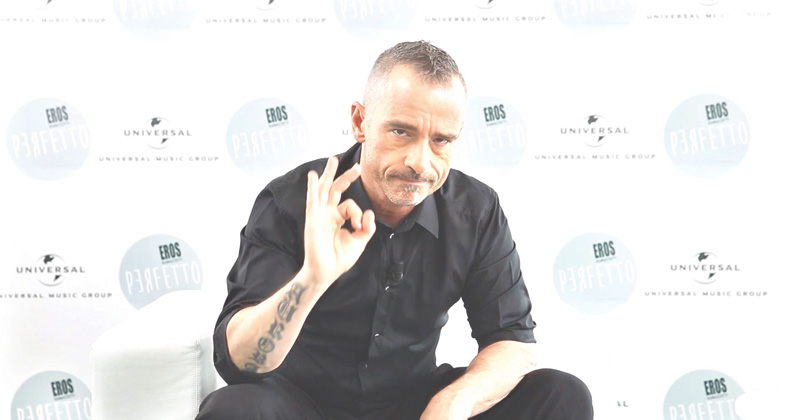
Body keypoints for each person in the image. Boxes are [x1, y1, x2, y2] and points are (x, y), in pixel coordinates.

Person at [196, 41, 593, 420]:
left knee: (561, 394)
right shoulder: (292, 201)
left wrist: (456, 400)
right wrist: (312, 279)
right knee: (233, 411)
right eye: (401, 132)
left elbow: (513, 342)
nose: (420, 162)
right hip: (301, 404)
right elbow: (239, 363)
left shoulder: (475, 211)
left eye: (441, 140)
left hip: (414, 405)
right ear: (360, 122)